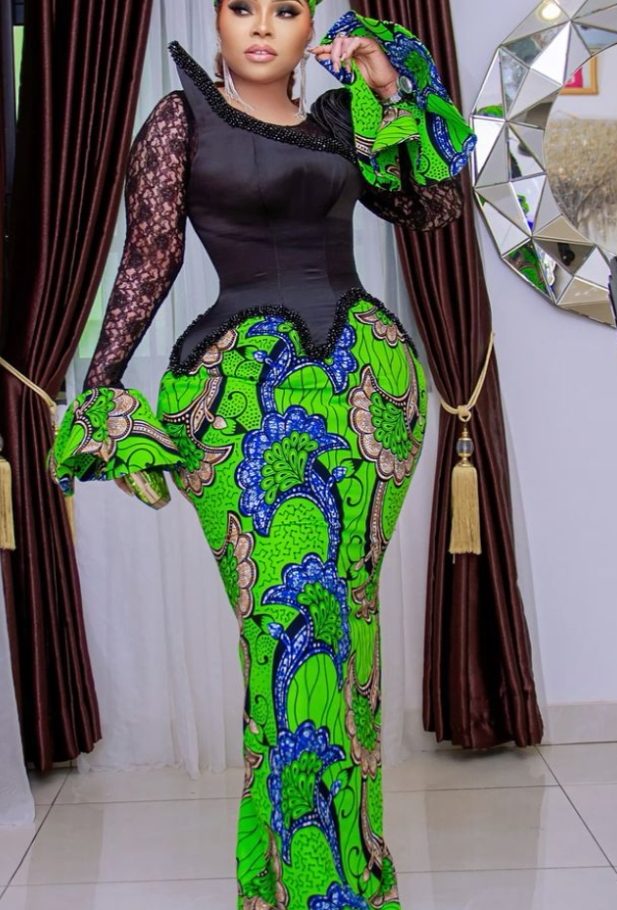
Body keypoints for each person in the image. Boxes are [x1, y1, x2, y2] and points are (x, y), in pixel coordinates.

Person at [50, 1, 476, 907]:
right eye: (241, 6)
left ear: (309, 28)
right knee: (285, 635)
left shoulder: (339, 119)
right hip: (239, 403)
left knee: (343, 634)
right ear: (215, 20)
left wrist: (385, 89)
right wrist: (100, 392)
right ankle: (305, 887)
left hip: (365, 395)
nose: (260, 26)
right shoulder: (179, 118)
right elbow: (148, 264)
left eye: (285, 10)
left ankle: (339, 878)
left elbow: (432, 207)